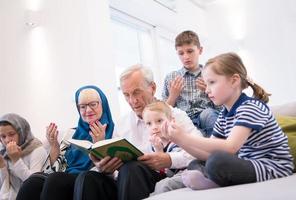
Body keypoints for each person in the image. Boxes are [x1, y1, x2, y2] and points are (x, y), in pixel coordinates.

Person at [163, 52, 294, 190]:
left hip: (272, 167)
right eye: (206, 84)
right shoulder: (224, 115)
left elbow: (230, 147)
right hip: (249, 163)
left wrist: (185, 137)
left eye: (212, 82)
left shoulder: (250, 107)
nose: (206, 90)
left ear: (234, 80)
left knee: (216, 162)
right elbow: (208, 154)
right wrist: (179, 141)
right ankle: (213, 179)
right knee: (196, 163)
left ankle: (213, 182)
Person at [75, 65, 195, 200]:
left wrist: (169, 159)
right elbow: (114, 170)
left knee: (131, 168)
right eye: (126, 95)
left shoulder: (175, 116)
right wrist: (106, 168)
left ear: (153, 88)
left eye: (137, 92)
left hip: (159, 178)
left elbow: (199, 155)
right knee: (87, 177)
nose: (132, 101)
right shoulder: (122, 124)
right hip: (126, 181)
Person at [16, 85, 115, 200]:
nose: (88, 110)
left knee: (57, 179)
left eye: (93, 104)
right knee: (33, 182)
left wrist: (100, 145)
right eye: (82, 107)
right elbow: (55, 168)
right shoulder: (70, 134)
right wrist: (54, 146)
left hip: (94, 181)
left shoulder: (114, 134)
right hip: (65, 177)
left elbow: (114, 172)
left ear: (103, 104)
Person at [162, 30, 219, 137]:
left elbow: (223, 109)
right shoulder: (171, 78)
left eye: (190, 51)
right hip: (182, 120)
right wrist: (173, 96)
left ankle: (218, 149)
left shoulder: (211, 75)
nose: (186, 57)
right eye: (181, 53)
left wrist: (210, 92)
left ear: (200, 50)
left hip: (206, 116)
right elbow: (162, 113)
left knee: (210, 114)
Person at [142, 101, 202, 195]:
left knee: (163, 186)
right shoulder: (152, 144)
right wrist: (158, 150)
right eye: (149, 124)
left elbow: (182, 162)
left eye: (159, 121)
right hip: (173, 176)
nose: (154, 127)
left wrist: (160, 152)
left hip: (189, 172)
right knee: (158, 186)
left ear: (172, 120)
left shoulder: (176, 139)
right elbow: (162, 172)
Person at [0, 113, 47, 200]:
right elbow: (3, 186)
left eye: (11, 134)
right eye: (3, 136)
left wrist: (16, 160)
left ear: (21, 132)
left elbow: (34, 184)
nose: (7, 140)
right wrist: (2, 166)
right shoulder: (4, 152)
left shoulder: (37, 150)